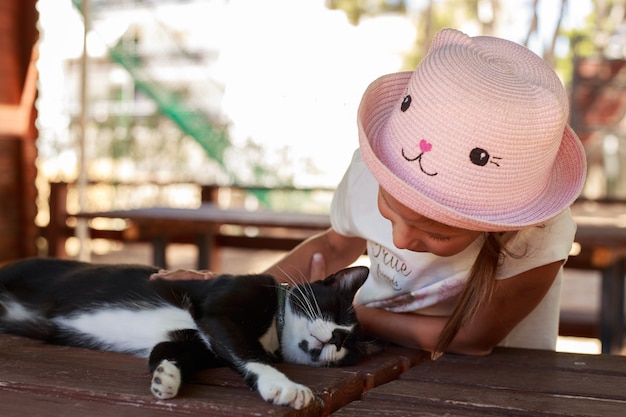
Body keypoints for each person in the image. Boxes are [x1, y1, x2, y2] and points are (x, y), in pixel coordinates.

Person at [155, 28, 587, 359]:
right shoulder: (367, 174)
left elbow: (474, 339)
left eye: (435, 233)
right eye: (391, 211)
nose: (400, 239)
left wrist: (363, 316)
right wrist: (247, 291)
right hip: (368, 351)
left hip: (499, 380)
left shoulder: (535, 233)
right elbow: (333, 244)